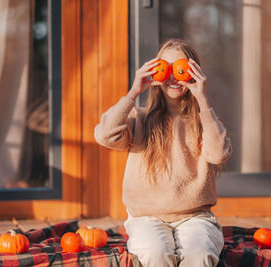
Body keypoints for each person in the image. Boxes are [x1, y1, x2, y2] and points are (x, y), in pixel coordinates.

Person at [94, 39, 232, 267]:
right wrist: (134, 91)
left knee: (199, 255)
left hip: (195, 217)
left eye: (181, 68)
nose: (173, 76)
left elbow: (219, 154)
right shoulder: (139, 117)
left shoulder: (204, 120)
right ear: (155, 73)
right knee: (157, 253)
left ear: (194, 72)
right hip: (146, 218)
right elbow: (105, 135)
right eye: (165, 68)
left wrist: (202, 98)